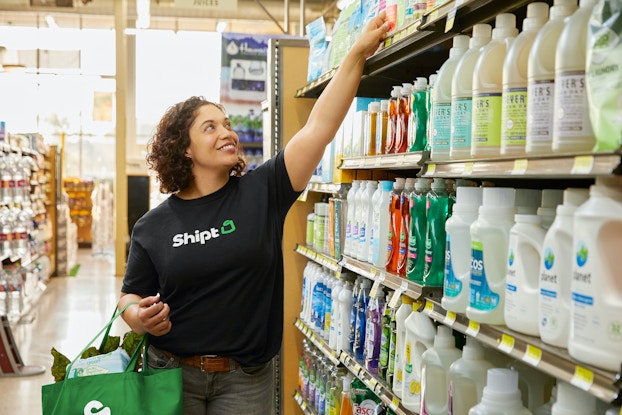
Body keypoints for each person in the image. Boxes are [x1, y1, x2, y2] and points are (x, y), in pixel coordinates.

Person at [118, 12, 389, 415]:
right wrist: (138, 317)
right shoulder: (153, 225)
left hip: (245, 380)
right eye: (209, 127)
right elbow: (129, 295)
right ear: (184, 148)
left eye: (227, 124)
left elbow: (319, 127)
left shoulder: (264, 190)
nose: (226, 132)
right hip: (170, 373)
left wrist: (356, 54)